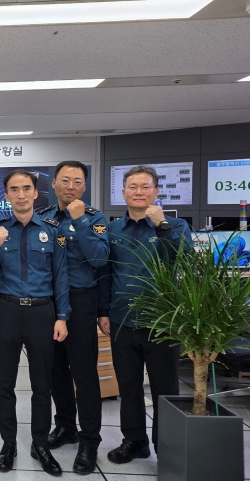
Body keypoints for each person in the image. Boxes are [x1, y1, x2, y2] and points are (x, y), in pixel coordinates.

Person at [98, 165, 192, 463]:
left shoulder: (175, 226)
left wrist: (161, 226)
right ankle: (135, 441)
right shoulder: (113, 229)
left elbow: (184, 261)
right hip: (122, 319)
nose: (139, 192)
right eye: (133, 187)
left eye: (145, 186)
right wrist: (103, 311)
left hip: (163, 322)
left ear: (156, 191)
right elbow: (105, 274)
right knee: (128, 386)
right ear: (123, 192)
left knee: (166, 388)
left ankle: (168, 447)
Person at [0, 170, 71, 477]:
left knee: (42, 383)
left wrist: (62, 317)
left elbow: (61, 276)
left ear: (35, 193)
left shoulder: (52, 230)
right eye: (14, 189)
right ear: (6, 195)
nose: (21, 194)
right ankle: (8, 443)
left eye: (26, 188)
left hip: (42, 313)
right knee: (5, 382)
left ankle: (40, 443)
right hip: (7, 311)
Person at [36, 161, 109, 474]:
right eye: (64, 180)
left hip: (80, 301)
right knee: (55, 370)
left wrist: (79, 221)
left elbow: (100, 259)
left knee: (84, 373)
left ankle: (89, 440)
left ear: (84, 186)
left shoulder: (94, 218)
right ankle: (65, 425)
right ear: (53, 184)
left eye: (77, 181)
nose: (71, 186)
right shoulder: (43, 218)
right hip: (48, 302)